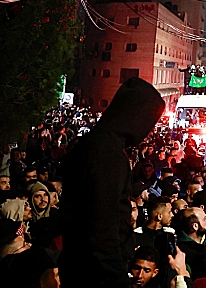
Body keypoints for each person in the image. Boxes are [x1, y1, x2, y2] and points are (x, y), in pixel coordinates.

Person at [58, 77, 165, 288]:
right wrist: (116, 279)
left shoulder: (99, 144)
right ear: (135, 116)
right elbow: (103, 227)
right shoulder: (108, 153)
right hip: (93, 273)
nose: (149, 130)